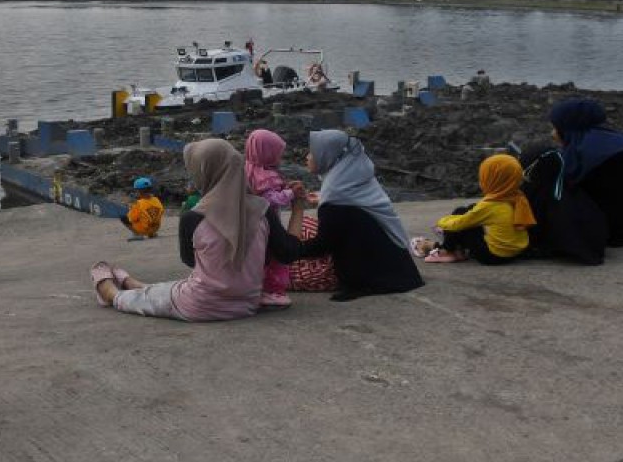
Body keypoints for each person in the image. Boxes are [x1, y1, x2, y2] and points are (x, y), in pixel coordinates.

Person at [90, 138, 294, 322]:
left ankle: (111, 292)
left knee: (147, 300)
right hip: (246, 304)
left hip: (200, 306)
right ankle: (135, 283)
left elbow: (190, 260)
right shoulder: (262, 210)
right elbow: (281, 253)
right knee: (172, 288)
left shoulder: (193, 217)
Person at [268, 130, 424, 302]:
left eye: (313, 152)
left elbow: (322, 245)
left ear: (328, 157)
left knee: (285, 265)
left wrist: (288, 250)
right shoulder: (353, 182)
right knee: (304, 228)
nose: (307, 156)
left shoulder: (336, 198)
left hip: (377, 277)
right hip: (397, 268)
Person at [548, 98, 623, 246]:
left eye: (556, 128)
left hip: (611, 233)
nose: (552, 133)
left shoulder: (581, 157)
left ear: (568, 129)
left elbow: (562, 192)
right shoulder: (610, 145)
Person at [412, 155, 534, 265]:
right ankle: (453, 243)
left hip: (493, 256)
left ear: (493, 180)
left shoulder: (491, 205)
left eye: (484, 177)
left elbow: (459, 224)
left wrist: (442, 222)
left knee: (460, 215)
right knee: (471, 210)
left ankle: (446, 250)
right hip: (516, 252)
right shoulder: (517, 197)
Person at [245, 129, 295, 308]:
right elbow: (269, 199)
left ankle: (257, 289)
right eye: (277, 154)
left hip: (252, 223)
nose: (279, 158)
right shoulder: (266, 175)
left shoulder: (247, 169)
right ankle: (273, 292)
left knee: (258, 258)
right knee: (275, 259)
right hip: (269, 224)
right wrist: (290, 193)